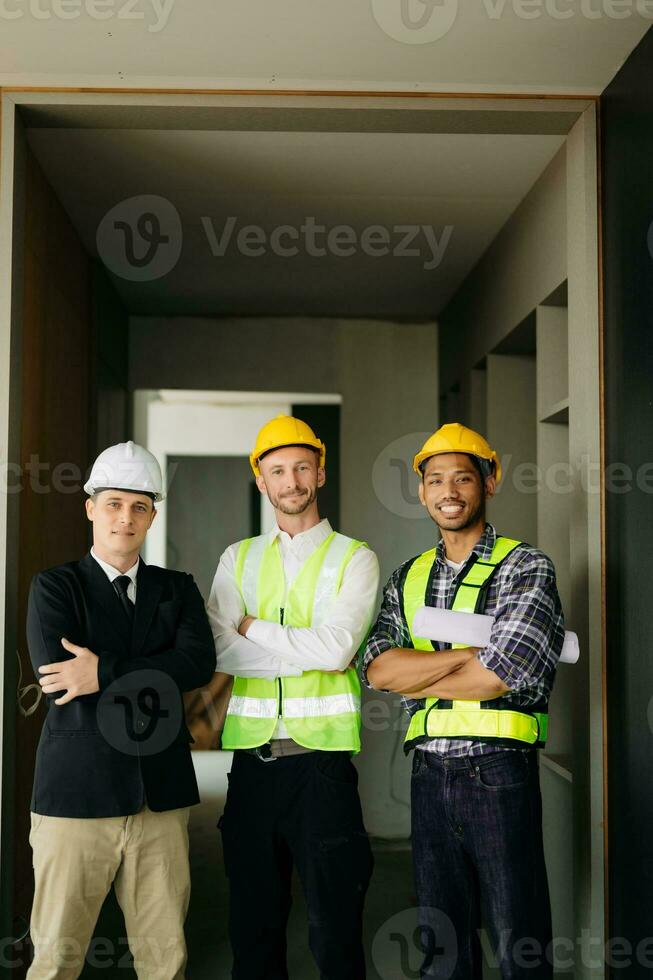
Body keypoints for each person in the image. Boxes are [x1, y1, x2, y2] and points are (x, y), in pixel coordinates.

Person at [364, 423, 564, 980]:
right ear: (423, 491)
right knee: (441, 944)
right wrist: (468, 655)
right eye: (435, 480)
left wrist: (420, 673)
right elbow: (378, 671)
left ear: (490, 482)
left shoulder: (526, 567)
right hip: (429, 774)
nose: (448, 490)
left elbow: (502, 673)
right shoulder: (407, 576)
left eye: (462, 478)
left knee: (517, 937)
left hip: (499, 774)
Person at [26, 440, 215, 980]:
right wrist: (155, 667)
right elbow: (59, 677)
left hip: (160, 796)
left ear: (153, 515)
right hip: (75, 796)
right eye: (113, 503)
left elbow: (197, 664)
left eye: (138, 506)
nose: (125, 518)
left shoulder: (176, 589)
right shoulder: (55, 587)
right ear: (90, 507)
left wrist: (104, 671)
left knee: (164, 959)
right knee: (57, 958)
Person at [207, 414, 380, 980]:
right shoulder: (238, 558)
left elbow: (335, 649)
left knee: (336, 931)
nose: (291, 480)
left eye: (302, 467)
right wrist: (304, 648)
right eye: (277, 469)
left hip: (322, 770)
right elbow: (220, 653)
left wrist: (252, 627)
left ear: (320, 473)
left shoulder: (354, 557)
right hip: (251, 770)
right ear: (260, 479)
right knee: (253, 929)